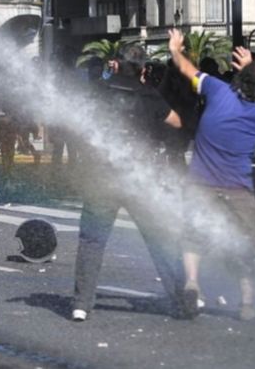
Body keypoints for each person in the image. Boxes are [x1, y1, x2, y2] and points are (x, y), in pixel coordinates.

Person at [167, 29, 255, 321]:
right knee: (245, 244)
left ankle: (192, 282)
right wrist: (254, 68)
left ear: (238, 81)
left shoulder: (218, 90)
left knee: (192, 236)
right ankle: (247, 303)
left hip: (200, 183)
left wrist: (175, 48)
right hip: (238, 189)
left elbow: (186, 69)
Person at [71, 55, 185, 322]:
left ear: (114, 67)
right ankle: (179, 299)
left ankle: (81, 304)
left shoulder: (98, 90)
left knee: (92, 240)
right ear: (142, 71)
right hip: (138, 178)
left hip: (102, 176)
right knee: (157, 237)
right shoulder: (148, 94)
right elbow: (177, 121)